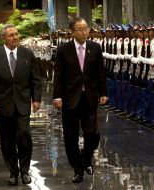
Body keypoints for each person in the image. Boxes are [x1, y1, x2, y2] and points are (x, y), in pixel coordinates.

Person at [0, 24, 42, 186]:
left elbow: (35, 78)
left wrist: (36, 99)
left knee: (24, 136)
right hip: (2, 104)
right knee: (7, 140)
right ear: (4, 38)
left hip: (23, 103)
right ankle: (13, 172)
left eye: (16, 34)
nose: (15, 37)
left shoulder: (27, 53)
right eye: (11, 35)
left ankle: (25, 170)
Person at [53, 17, 108, 183]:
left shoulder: (95, 48)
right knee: (70, 137)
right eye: (81, 29)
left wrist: (103, 92)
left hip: (89, 97)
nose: (85, 32)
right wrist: (57, 96)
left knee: (93, 134)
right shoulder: (63, 49)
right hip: (70, 98)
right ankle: (78, 169)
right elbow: (59, 75)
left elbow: (100, 73)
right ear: (73, 32)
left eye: (86, 29)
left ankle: (85, 159)